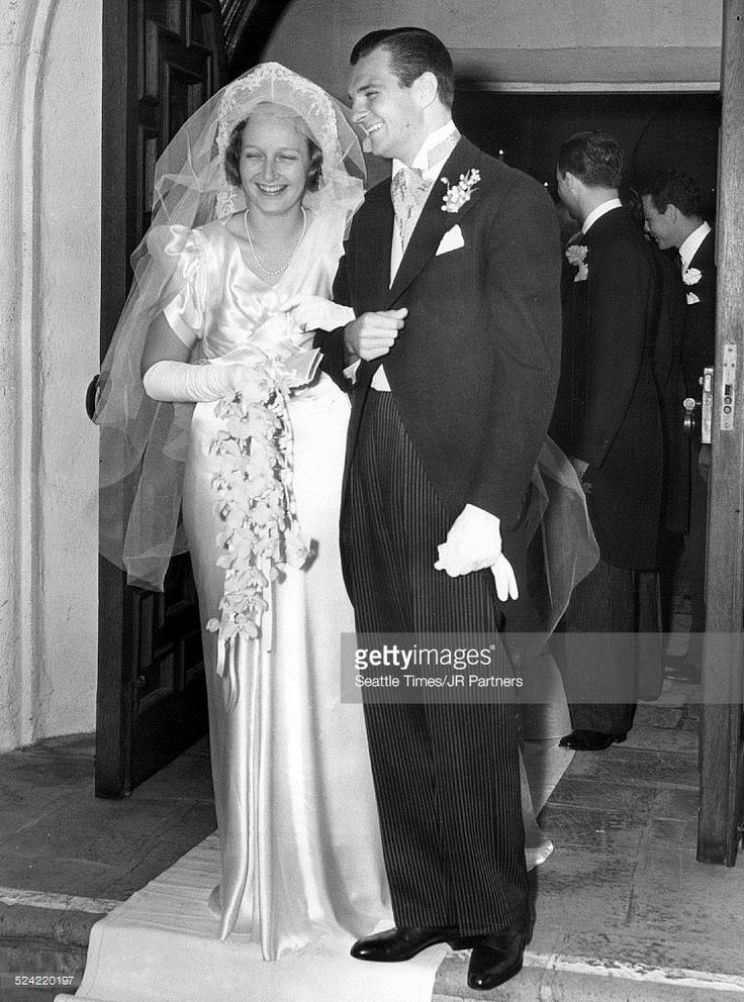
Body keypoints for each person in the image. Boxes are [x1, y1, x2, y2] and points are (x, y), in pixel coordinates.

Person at [94, 62, 390, 960]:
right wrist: (230, 378)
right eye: (254, 156)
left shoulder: (346, 232)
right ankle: (267, 867)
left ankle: (355, 862)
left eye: (287, 157)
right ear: (232, 164)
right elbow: (151, 374)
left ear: (314, 163)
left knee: (333, 642)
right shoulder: (202, 251)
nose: (269, 173)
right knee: (247, 653)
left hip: (327, 460)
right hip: (226, 466)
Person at [316, 27, 565, 993]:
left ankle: (495, 913)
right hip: (374, 466)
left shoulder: (509, 199)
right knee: (396, 692)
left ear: (425, 91)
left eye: (369, 94)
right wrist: (352, 343)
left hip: (455, 482)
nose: (357, 113)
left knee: (463, 701)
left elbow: (530, 367)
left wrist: (490, 508)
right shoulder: (374, 208)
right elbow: (339, 332)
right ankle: (423, 902)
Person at [551, 131, 664, 750]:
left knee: (597, 577)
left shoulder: (612, 244)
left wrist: (583, 453)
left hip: (607, 444)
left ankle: (597, 718)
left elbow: (614, 362)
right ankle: (619, 700)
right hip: (625, 436)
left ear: (568, 180)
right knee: (617, 576)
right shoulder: (622, 238)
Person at [641, 169, 716, 678]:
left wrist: (710, 437)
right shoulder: (681, 262)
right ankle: (698, 652)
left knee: (710, 546)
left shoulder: (718, 261)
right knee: (696, 543)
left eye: (650, 218)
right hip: (694, 426)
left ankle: (707, 656)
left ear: (670, 212)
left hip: (714, 432)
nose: (648, 228)